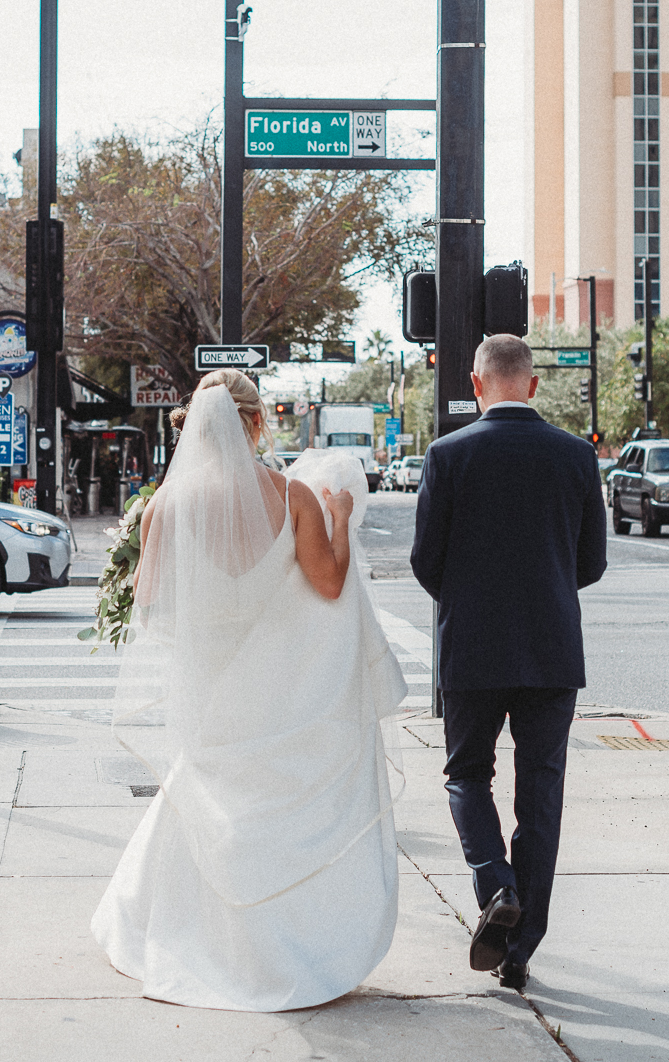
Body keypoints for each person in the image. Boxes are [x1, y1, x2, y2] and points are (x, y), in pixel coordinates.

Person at [92, 369, 407, 1011]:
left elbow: (148, 603)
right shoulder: (292, 495)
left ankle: (194, 936)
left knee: (209, 798)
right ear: (256, 423)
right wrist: (340, 518)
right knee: (277, 810)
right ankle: (286, 946)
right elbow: (328, 584)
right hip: (280, 689)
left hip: (208, 686)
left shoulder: (164, 506)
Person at [409, 334, 608, 992]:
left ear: (476, 384)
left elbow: (425, 561)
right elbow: (591, 563)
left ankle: (496, 884)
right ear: (532, 384)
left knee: (467, 774)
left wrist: (470, 597)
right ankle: (520, 949)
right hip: (552, 647)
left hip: (472, 646)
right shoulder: (577, 455)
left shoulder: (447, 455)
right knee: (541, 791)